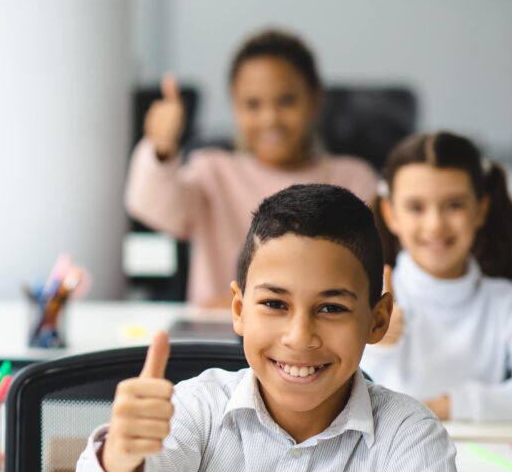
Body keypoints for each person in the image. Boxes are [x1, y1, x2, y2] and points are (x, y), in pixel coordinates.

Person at [76, 184, 477, 472]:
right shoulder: (200, 405)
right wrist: (123, 461)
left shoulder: (408, 434)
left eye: (331, 307)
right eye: (274, 304)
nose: (299, 336)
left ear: (377, 319)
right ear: (238, 309)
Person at [127, 29, 377, 307]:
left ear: (315, 101)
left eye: (286, 101)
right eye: (252, 104)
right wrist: (162, 150)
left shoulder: (353, 178)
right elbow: (152, 207)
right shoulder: (212, 170)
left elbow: (364, 273)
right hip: (220, 333)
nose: (270, 118)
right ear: (235, 107)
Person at [362, 131, 512, 421]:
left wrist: (446, 407)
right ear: (390, 214)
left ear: (481, 209)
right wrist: (376, 344)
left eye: (454, 205)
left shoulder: (509, 303)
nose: (435, 224)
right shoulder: (366, 297)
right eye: (416, 207)